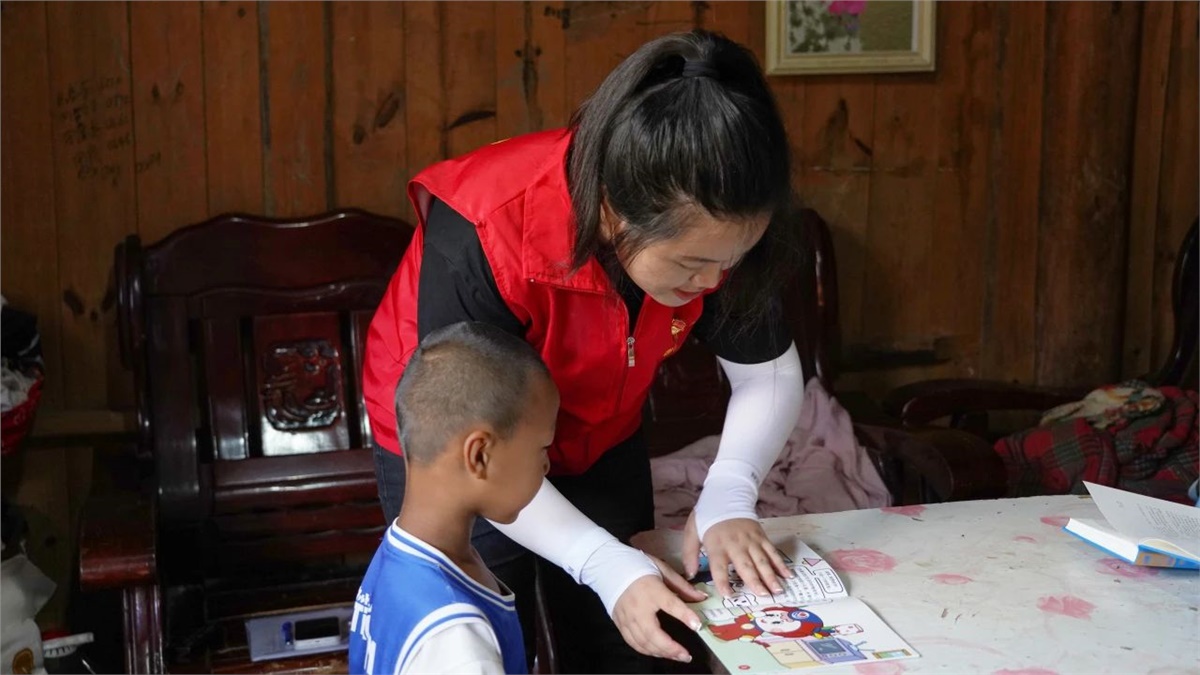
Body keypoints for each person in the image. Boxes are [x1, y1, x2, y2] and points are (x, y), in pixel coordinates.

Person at [363, 28, 807, 673]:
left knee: (634, 627)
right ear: (611, 212)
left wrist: (729, 494)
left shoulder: (718, 222)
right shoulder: (489, 226)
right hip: (465, 440)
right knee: (484, 634)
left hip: (600, 429)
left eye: (732, 260)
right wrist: (599, 561)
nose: (715, 283)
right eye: (692, 265)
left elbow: (767, 372)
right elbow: (473, 446)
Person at [349, 321, 559, 674]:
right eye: (542, 448)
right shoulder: (458, 645)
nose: (546, 465)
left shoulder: (399, 556)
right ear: (479, 455)